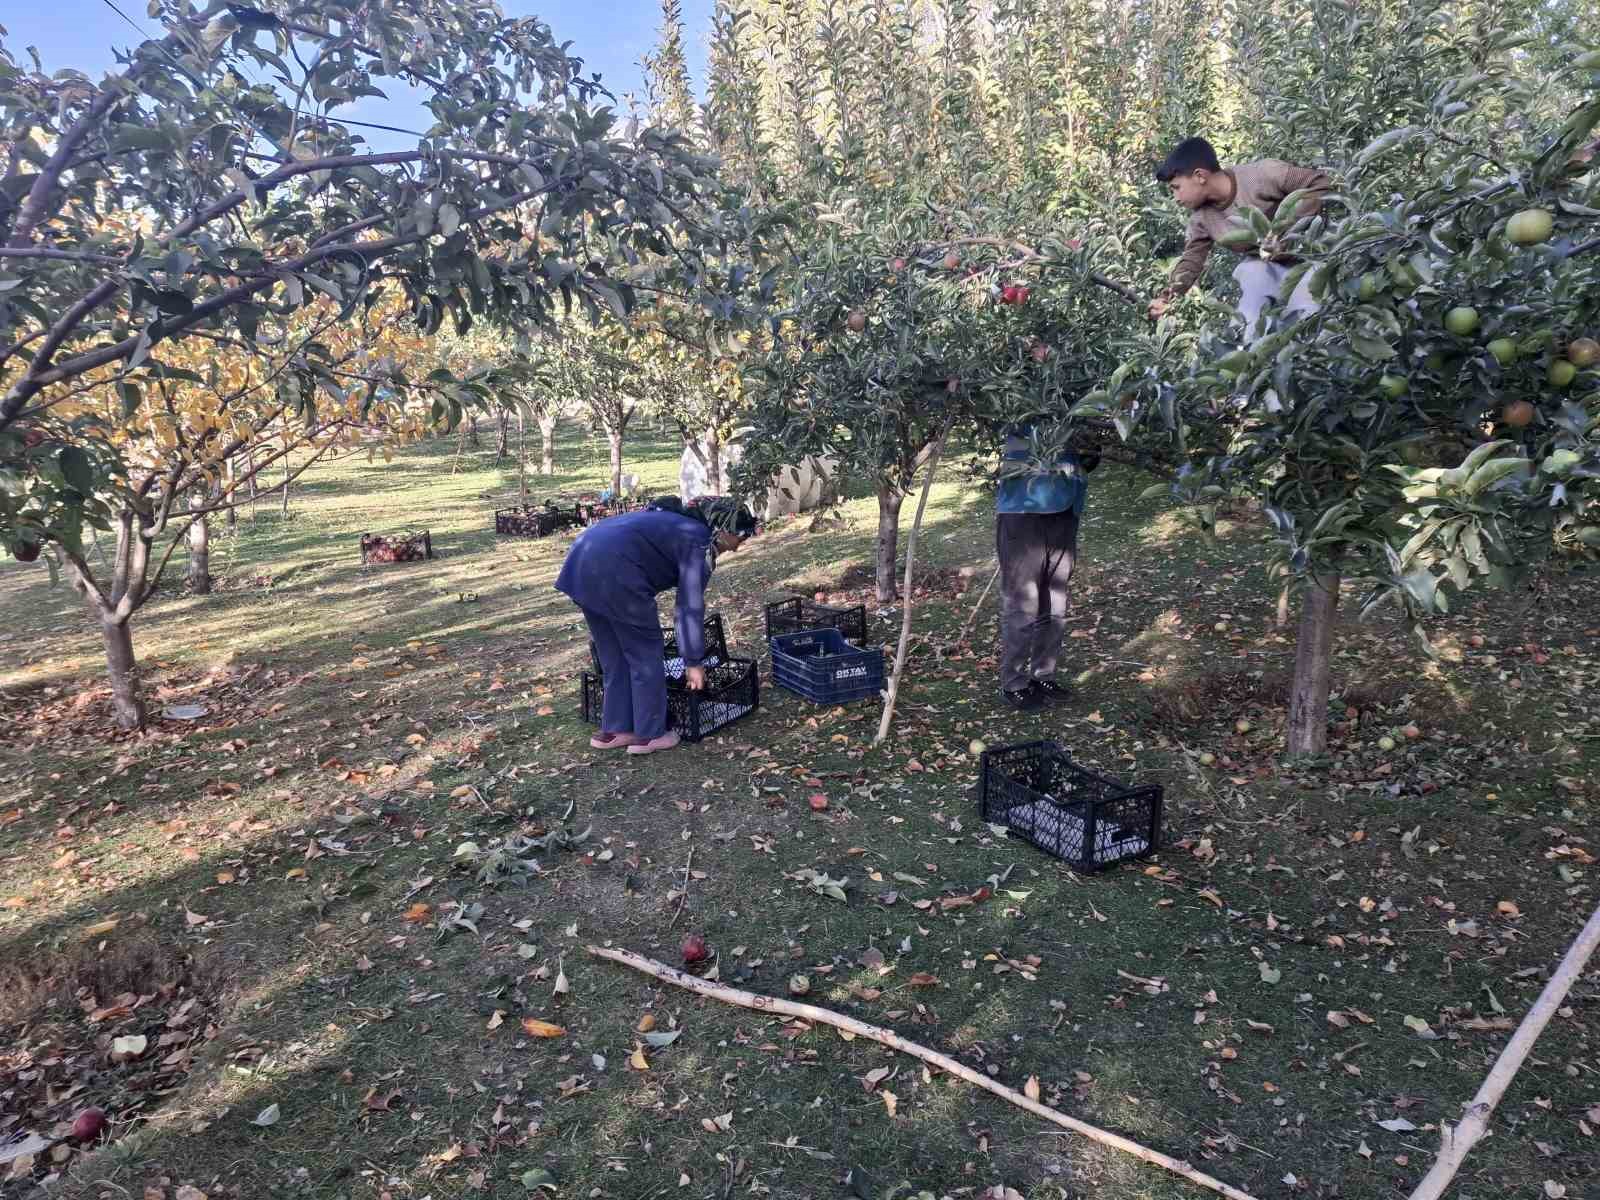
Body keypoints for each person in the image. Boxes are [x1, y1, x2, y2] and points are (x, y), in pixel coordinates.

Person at [556, 496, 756, 754]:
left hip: (581, 562)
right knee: (646, 652)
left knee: (614, 655)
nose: (738, 547)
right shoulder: (698, 540)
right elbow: (688, 606)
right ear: (724, 529)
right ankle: (651, 734)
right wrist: (693, 662)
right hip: (617, 572)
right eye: (740, 538)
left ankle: (616, 729)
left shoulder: (673, 521)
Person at [1148, 137, 1333, 331]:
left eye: (1176, 188)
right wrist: (1167, 298)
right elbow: (1191, 260)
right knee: (1248, 309)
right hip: (1266, 271)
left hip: (1312, 257)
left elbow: (1319, 183)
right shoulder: (1201, 218)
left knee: (1309, 322)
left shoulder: (1262, 175)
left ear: (1200, 176)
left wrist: (1284, 234)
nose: (1175, 198)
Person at [996, 428, 1099, 711]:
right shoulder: (1025, 397)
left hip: (1065, 510)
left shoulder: (1077, 406)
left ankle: (1044, 675)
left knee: (1055, 603)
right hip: (1025, 509)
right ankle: (1014, 683)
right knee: (1023, 604)